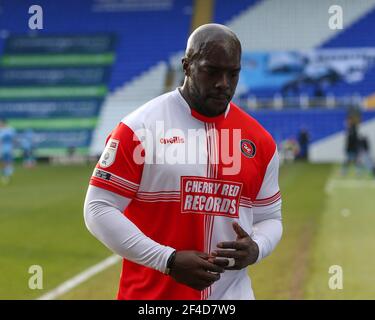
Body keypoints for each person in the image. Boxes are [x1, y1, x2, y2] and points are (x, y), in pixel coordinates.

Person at [84, 23, 283, 300]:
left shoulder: (259, 141)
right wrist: (168, 260)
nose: (223, 83)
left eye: (232, 73)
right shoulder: (139, 128)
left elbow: (270, 218)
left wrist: (257, 247)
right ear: (187, 66)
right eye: (211, 71)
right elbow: (98, 208)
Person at [0, 119, 16, 185]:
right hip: (7, 148)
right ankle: (7, 172)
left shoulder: (4, 130)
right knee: (6, 160)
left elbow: (13, 139)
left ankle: (7, 172)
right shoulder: (10, 129)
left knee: (7, 160)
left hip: (5, 148)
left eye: (1, 123)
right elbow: (14, 139)